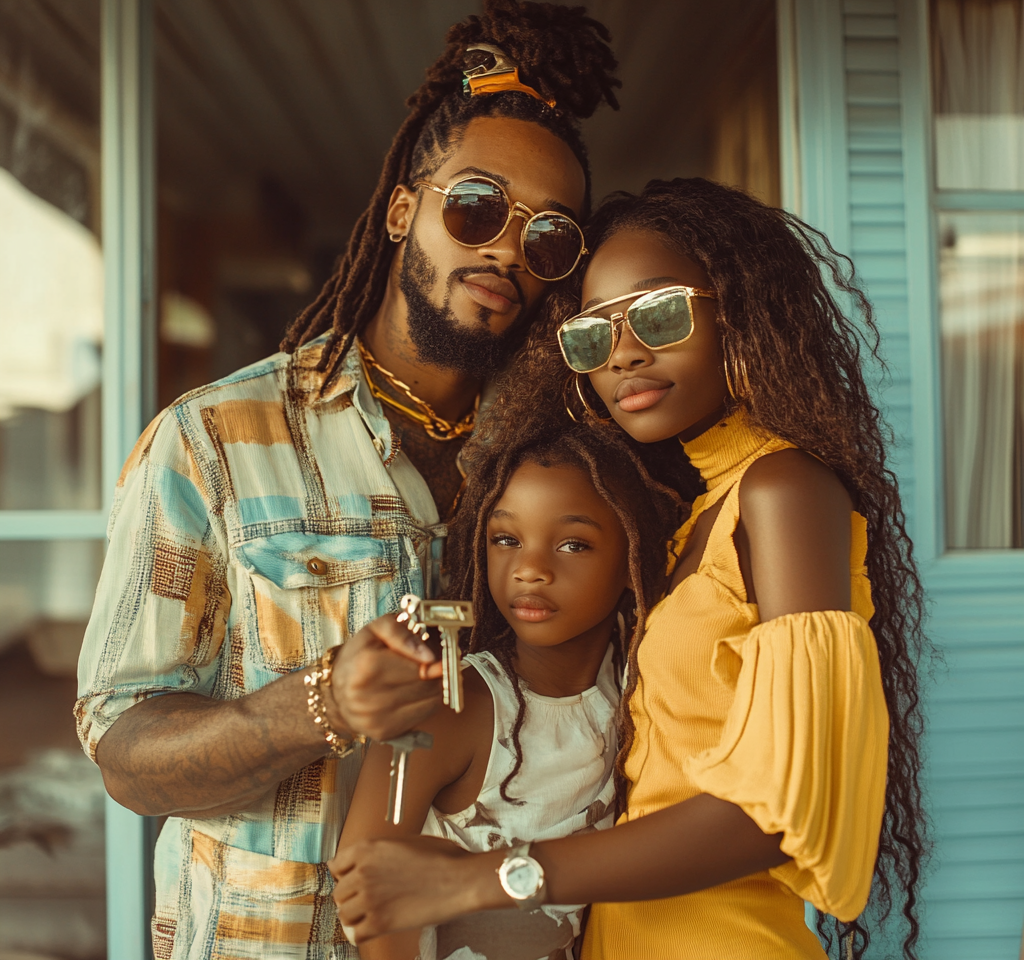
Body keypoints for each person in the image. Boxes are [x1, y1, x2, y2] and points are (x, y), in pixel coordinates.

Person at [74, 0, 620, 958]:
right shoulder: (215, 439)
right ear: (405, 208)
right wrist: (315, 703)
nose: (505, 248)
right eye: (477, 206)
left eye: (545, 237)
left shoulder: (565, 463)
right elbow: (125, 757)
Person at [330, 177, 929, 960]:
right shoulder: (691, 524)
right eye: (594, 335)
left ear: (737, 310)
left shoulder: (783, 491)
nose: (626, 354)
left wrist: (483, 878)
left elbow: (778, 815)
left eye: (658, 313)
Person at [332, 420, 682, 960]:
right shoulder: (452, 706)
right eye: (506, 539)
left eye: (572, 543)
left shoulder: (640, 682)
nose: (530, 570)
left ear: (633, 556)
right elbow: (364, 892)